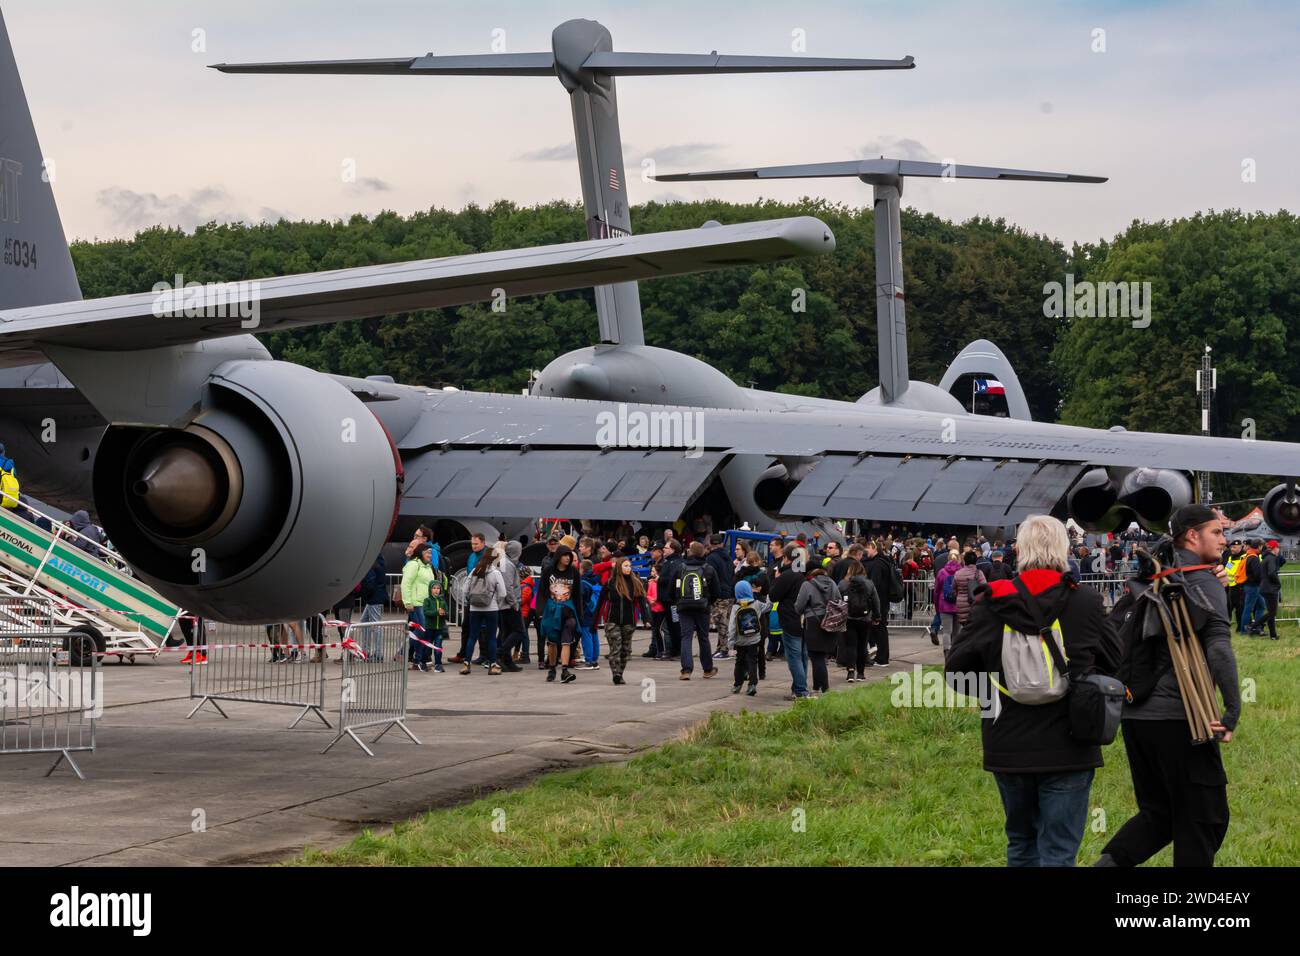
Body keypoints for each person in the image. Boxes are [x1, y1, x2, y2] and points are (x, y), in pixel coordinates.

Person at [945, 514, 1120, 867]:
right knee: (1058, 851)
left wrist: (995, 685)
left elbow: (956, 671)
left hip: (1007, 741)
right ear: (1064, 548)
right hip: (1071, 742)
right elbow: (1116, 660)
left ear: (1019, 550)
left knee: (1022, 844)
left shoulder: (992, 601)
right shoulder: (1084, 601)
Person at [1098, 504, 1240, 867]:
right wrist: (1232, 708)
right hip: (1181, 719)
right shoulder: (1204, 581)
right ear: (1192, 536)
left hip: (1135, 718)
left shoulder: (1154, 577)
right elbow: (1219, 647)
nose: (1225, 540)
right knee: (1205, 818)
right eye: (1217, 532)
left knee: (1159, 814)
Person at [596, 557, 652, 685]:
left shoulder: (635, 583)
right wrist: (595, 622)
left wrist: (646, 619)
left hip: (629, 622)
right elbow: (600, 603)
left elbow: (642, 603)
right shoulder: (610, 583)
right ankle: (615, 673)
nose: (628, 568)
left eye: (629, 566)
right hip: (612, 621)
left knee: (625, 651)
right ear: (619, 567)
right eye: (625, 566)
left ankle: (620, 673)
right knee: (616, 648)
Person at [767, 544, 808, 699]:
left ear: (787, 559)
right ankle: (799, 687)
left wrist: (775, 580)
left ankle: (800, 690)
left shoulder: (787, 575)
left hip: (790, 619)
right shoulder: (802, 574)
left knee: (794, 656)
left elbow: (773, 596)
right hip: (804, 619)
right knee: (802, 655)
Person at [676, 540, 720, 680]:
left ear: (690, 552)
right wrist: (707, 602)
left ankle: (686, 670)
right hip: (702, 607)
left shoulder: (681, 567)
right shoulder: (708, 568)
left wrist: (678, 602)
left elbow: (673, 588)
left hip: (684, 607)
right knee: (703, 637)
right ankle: (707, 669)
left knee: (686, 637)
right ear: (703, 553)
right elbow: (716, 591)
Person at [537, 545, 581, 683]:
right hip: (551, 611)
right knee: (552, 642)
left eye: (570, 555)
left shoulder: (574, 572)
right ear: (558, 556)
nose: (568, 558)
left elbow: (577, 594)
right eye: (565, 555)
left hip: (568, 611)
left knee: (566, 640)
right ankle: (552, 668)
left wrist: (580, 615)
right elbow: (542, 591)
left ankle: (565, 670)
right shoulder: (548, 571)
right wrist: (540, 610)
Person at [794, 566, 840, 695]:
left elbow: (799, 606)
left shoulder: (807, 584)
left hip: (813, 622)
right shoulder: (833, 583)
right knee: (820, 656)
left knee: (816, 656)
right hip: (830, 620)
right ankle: (816, 686)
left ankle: (825, 688)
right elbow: (839, 601)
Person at [460, 550, 507, 674]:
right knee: (491, 638)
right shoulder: (495, 573)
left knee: (472, 636)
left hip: (474, 608)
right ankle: (492, 665)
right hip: (491, 608)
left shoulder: (474, 571)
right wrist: (495, 599)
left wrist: (472, 600)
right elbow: (503, 593)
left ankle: (466, 664)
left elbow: (464, 590)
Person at [727, 580, 769, 696]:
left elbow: (731, 627)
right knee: (752, 661)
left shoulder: (736, 607)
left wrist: (730, 644)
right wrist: (769, 595)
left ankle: (737, 685)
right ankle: (752, 685)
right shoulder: (756, 604)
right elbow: (768, 607)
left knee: (739, 663)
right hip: (754, 640)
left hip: (740, 641)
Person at [840, 559, 880, 680]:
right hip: (865, 618)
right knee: (862, 645)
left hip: (849, 618)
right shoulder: (869, 583)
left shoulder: (843, 583)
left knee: (850, 645)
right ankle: (861, 673)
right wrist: (877, 616)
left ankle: (850, 671)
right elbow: (875, 601)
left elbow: (836, 599)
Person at [401, 544, 437, 672]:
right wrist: (407, 602)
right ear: (421, 552)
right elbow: (406, 583)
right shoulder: (413, 565)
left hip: (427, 604)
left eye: (431, 553)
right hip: (416, 604)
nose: (430, 555)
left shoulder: (427, 567)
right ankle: (404, 652)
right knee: (422, 630)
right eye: (428, 553)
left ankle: (417, 660)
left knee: (424, 632)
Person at [862, 541, 896, 665]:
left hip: (878, 602)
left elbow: (873, 584)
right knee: (878, 629)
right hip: (881, 601)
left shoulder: (878, 564)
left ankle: (882, 658)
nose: (866, 551)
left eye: (867, 548)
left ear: (874, 548)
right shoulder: (883, 562)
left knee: (879, 629)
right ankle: (880, 656)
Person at [496, 540, 526, 671]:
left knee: (507, 632)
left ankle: (507, 661)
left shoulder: (505, 562)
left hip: (505, 604)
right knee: (519, 631)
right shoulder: (508, 565)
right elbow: (508, 586)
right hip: (509, 604)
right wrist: (514, 603)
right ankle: (499, 653)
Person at [705, 534, 735, 660]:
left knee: (721, 623)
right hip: (729, 592)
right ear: (722, 544)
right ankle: (721, 648)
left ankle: (723, 650)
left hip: (719, 594)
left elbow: (709, 577)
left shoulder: (711, 558)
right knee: (725, 621)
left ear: (711, 544)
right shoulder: (728, 557)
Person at [953, 550, 988, 640]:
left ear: (964, 560)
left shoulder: (958, 573)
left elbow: (954, 588)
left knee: (965, 627)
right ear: (976, 561)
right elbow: (984, 587)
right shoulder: (978, 573)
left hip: (961, 604)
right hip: (975, 604)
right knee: (975, 629)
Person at [421, 560, 449, 672]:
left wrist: (444, 613)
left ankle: (438, 664)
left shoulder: (442, 600)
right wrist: (437, 612)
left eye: (438, 588)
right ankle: (423, 662)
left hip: (439, 629)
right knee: (427, 648)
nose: (436, 590)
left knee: (438, 647)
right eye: (434, 588)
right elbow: (426, 612)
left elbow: (446, 612)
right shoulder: (427, 600)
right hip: (429, 628)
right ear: (430, 589)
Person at [933, 550, 961, 650]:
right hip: (958, 605)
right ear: (959, 558)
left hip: (944, 604)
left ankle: (947, 653)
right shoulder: (962, 572)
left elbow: (936, 591)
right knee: (957, 632)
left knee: (946, 632)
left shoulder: (942, 572)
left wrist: (937, 607)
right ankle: (955, 653)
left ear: (948, 558)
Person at [1258, 539, 1286, 641]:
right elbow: (1271, 573)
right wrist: (1278, 583)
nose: (1278, 549)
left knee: (1271, 613)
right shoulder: (1271, 558)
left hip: (1266, 587)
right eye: (1278, 547)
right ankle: (1254, 625)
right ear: (1274, 548)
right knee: (1272, 613)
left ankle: (1273, 635)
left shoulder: (1266, 557)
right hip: (1270, 588)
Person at [1239, 540, 1264, 635]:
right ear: (1259, 546)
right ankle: (1244, 630)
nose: (1262, 548)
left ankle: (1256, 627)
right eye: (1261, 546)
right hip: (1253, 586)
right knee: (1248, 608)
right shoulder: (1254, 558)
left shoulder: (1248, 555)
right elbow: (1257, 574)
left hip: (1250, 586)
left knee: (1261, 606)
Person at [1222, 539, 1245, 630]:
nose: (1232, 549)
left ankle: (1240, 626)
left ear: (1240, 547)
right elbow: (1228, 569)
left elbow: (1240, 571)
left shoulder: (1244, 557)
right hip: (1231, 586)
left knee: (1240, 608)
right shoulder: (1231, 557)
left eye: (1234, 547)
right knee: (1230, 606)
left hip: (1240, 586)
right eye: (1231, 547)